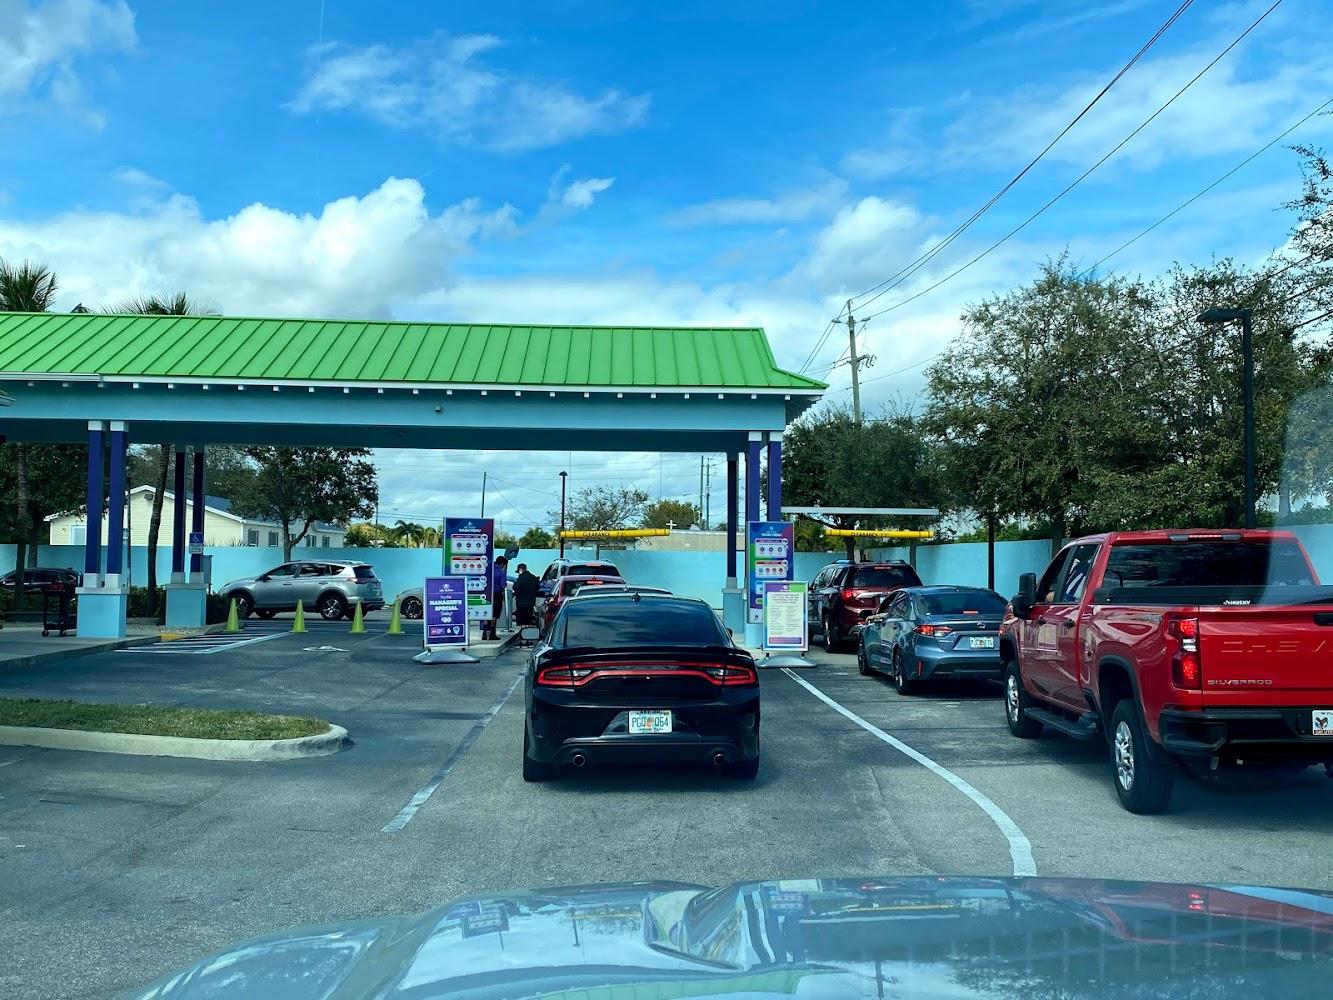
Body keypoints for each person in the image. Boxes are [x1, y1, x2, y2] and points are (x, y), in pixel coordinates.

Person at [483, 555, 508, 639]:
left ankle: (484, 633)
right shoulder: (501, 572)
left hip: (486, 594)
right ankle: (492, 634)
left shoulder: (488, 569)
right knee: (494, 614)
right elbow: (503, 585)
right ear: (502, 564)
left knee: (486, 613)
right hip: (496, 594)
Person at [512, 563, 540, 627]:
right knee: (528, 620)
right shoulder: (533, 577)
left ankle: (522, 633)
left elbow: (517, 588)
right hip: (530, 603)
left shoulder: (520, 578)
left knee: (522, 621)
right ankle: (528, 633)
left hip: (521, 603)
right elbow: (537, 588)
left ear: (520, 569)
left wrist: (514, 586)